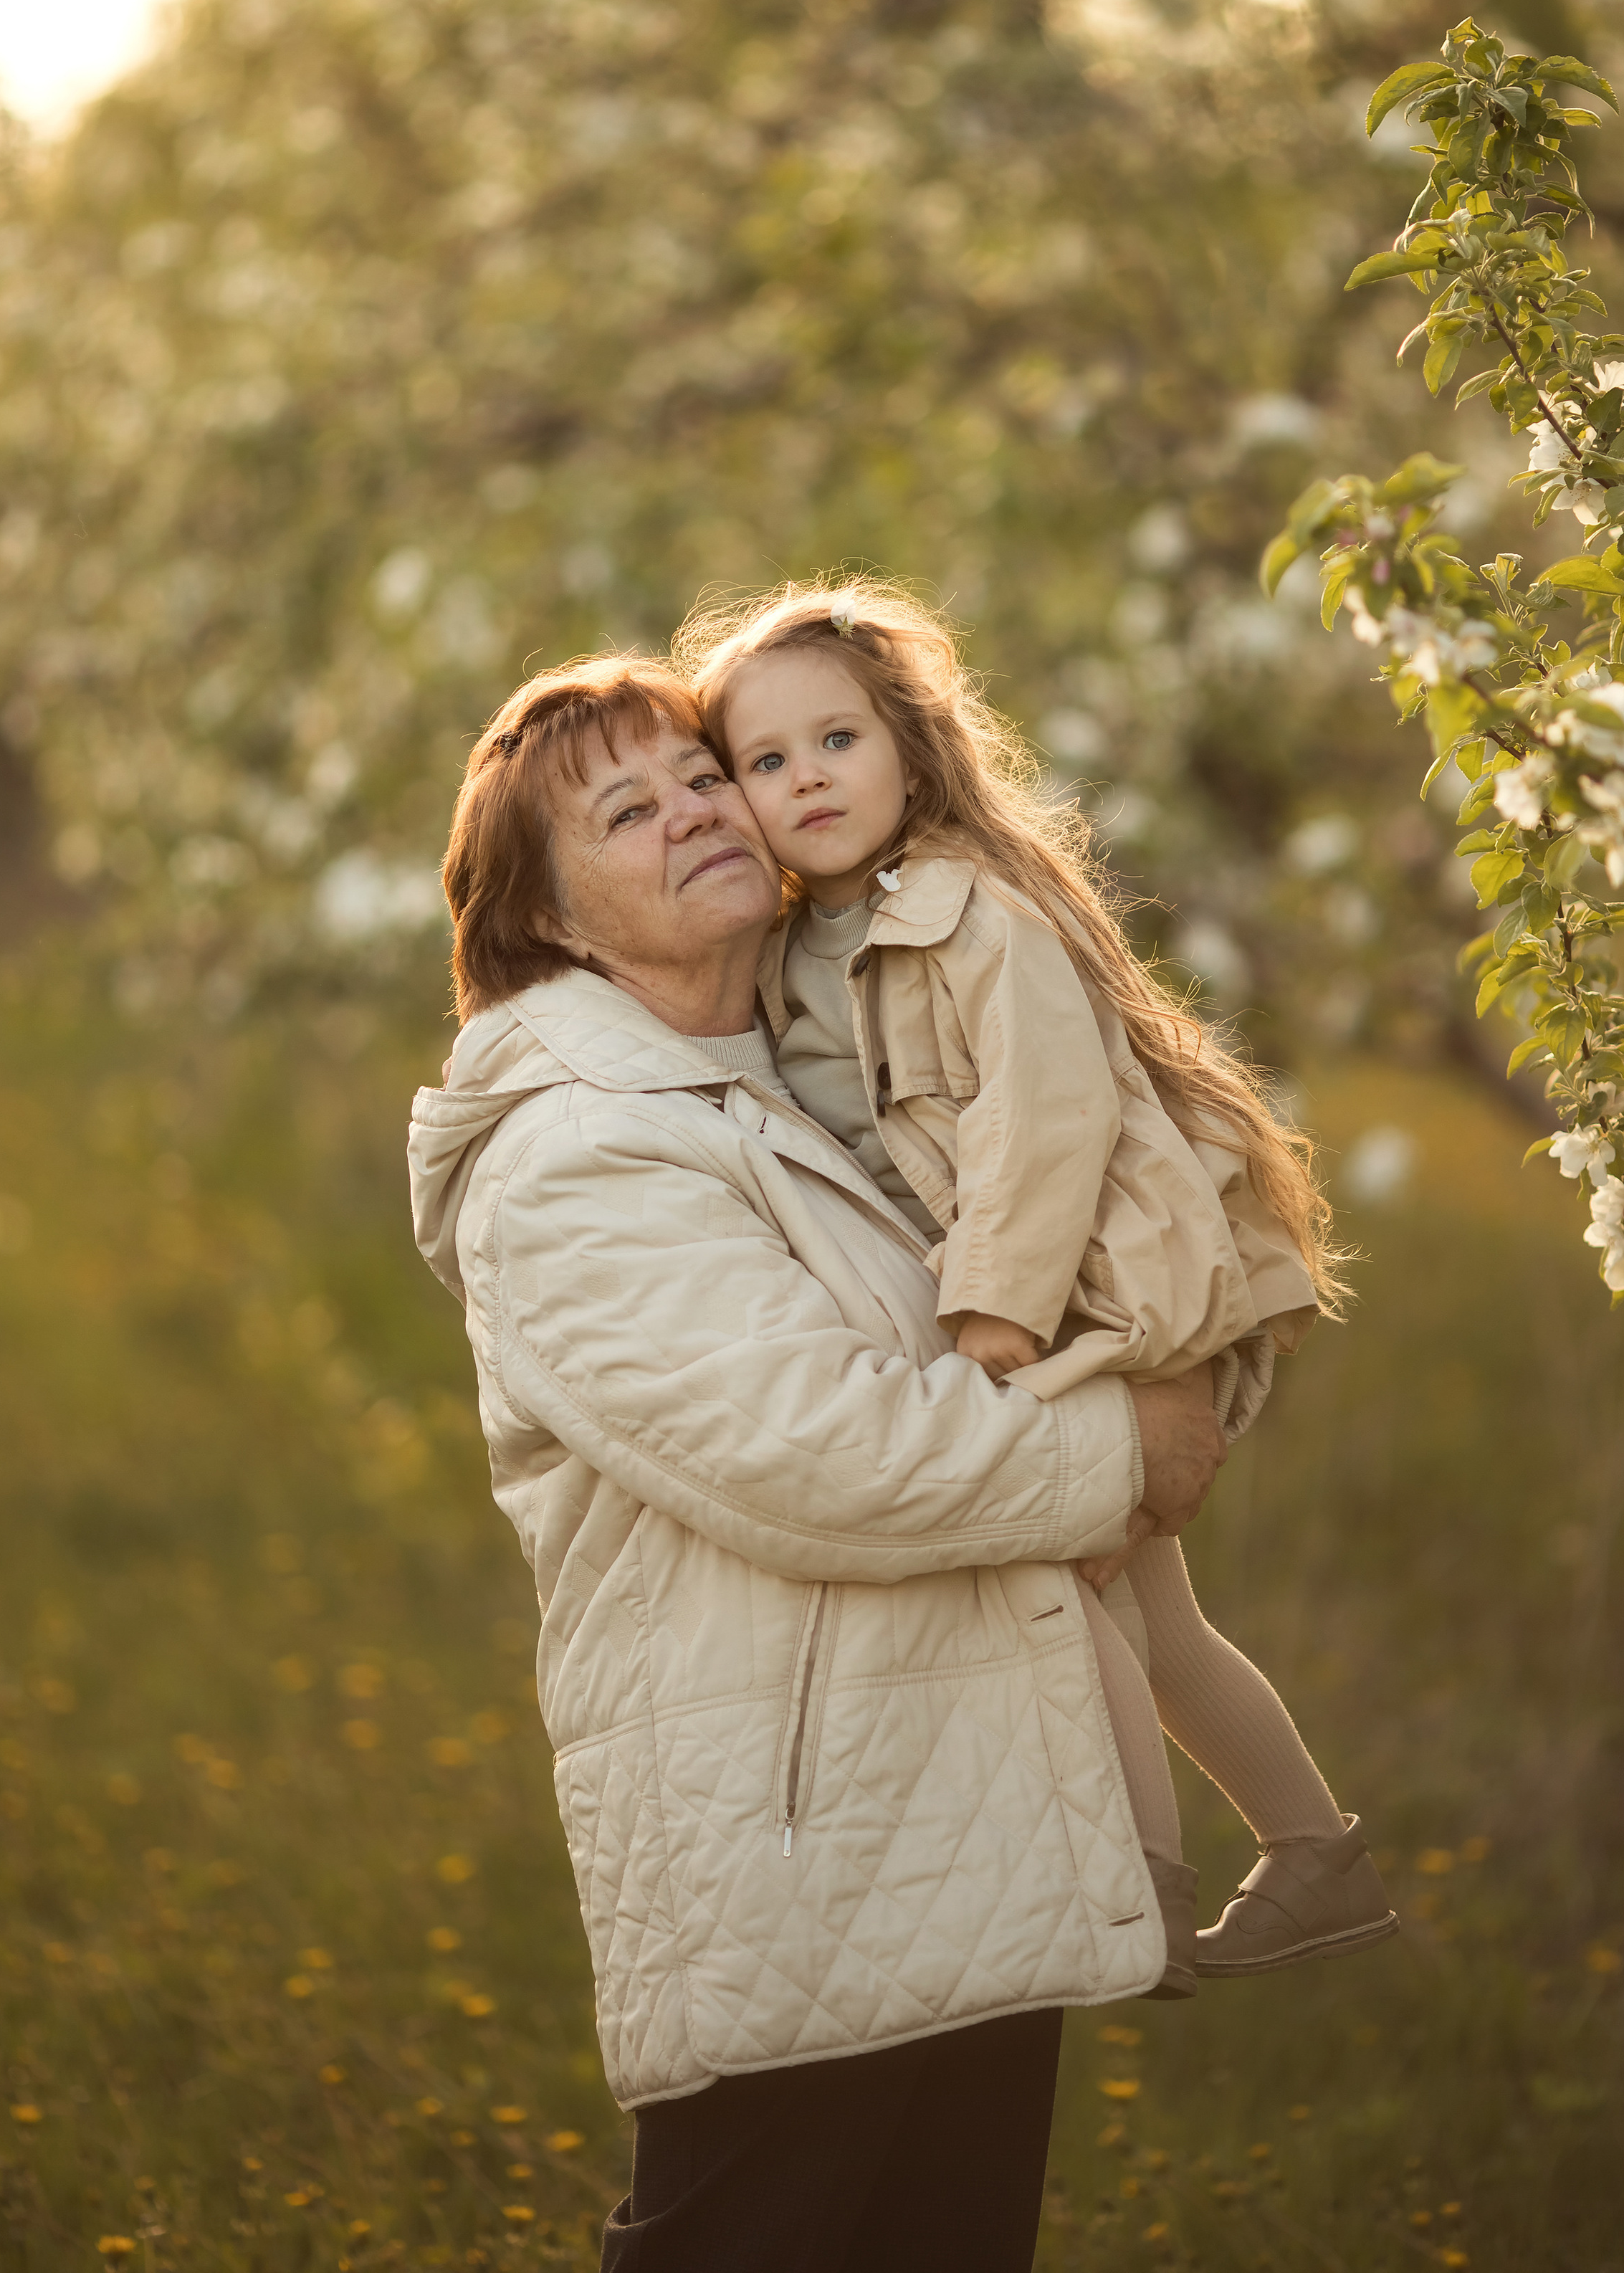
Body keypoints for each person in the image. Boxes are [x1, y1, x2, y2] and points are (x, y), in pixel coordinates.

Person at [408, 654, 1227, 2273]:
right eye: (623, 812)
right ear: (555, 925)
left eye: (699, 776)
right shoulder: (576, 1155)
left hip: (945, 1810)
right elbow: (824, 1452)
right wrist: (1112, 1451)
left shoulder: (785, 1080)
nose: (694, 811)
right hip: (796, 1855)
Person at [682, 578, 1399, 1988]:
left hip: (1084, 1300)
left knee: (1068, 1591)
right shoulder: (787, 951)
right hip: (1031, 1310)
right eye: (764, 762)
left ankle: (1133, 1892)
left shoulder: (962, 910)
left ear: (908, 743)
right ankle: (1314, 1855)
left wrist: (993, 1323)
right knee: (1154, 1613)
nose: (805, 779)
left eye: (835, 740)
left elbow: (1040, 1116)